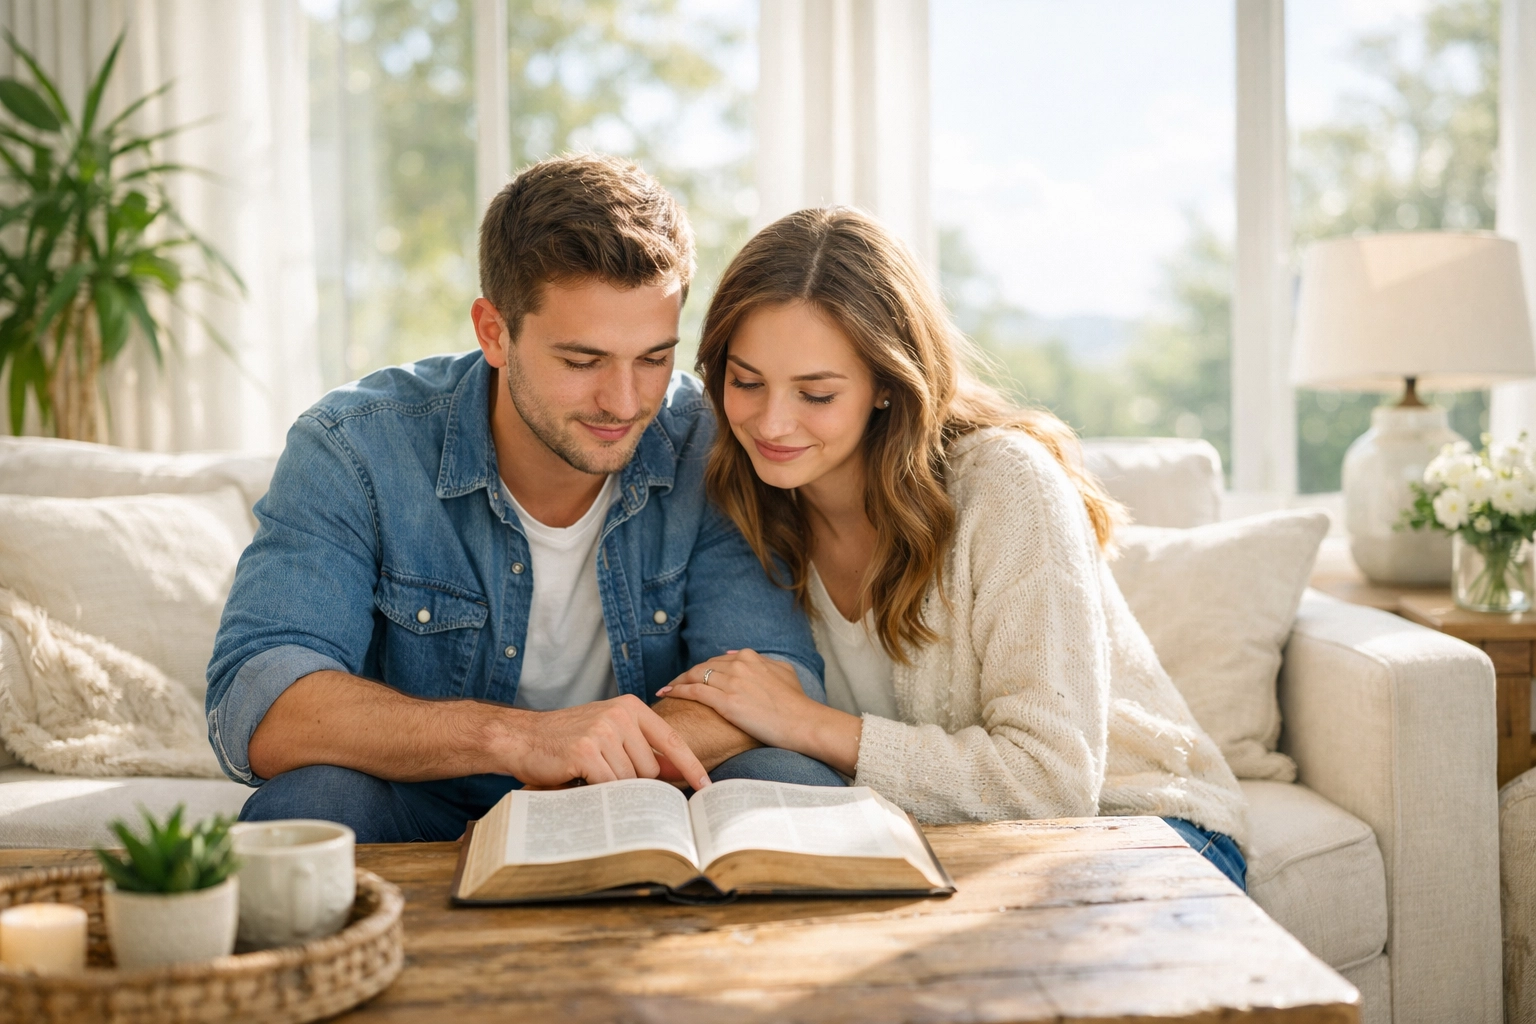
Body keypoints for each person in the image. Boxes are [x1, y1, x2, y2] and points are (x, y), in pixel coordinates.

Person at [205, 156, 842, 844]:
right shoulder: (355, 448)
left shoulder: (707, 443)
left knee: (789, 778)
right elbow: (258, 700)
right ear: (493, 332)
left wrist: (596, 759)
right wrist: (519, 741)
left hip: (642, 798)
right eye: (582, 361)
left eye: (654, 358)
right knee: (309, 806)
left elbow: (774, 680)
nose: (625, 403)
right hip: (427, 799)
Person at [656, 207, 1250, 888]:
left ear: (885, 384)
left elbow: (1051, 786)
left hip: (1144, 829)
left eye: (816, 394)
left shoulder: (1005, 485)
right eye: (746, 381)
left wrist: (809, 724)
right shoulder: (748, 497)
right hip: (941, 842)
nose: (772, 422)